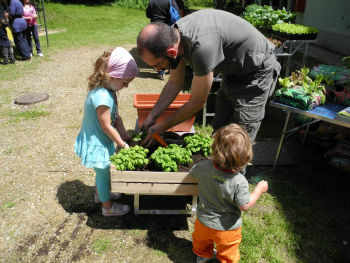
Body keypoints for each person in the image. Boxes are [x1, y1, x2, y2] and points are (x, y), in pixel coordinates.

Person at [137, 9, 281, 148]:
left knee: (238, 141)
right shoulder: (175, 37)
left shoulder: (201, 47)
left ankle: (233, 171)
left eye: (157, 65)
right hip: (233, 71)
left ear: (171, 52)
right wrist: (152, 116)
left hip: (257, 72)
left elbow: (197, 102)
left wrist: (163, 127)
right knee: (220, 130)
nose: (157, 70)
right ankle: (217, 169)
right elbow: (174, 83)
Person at [189, 124, 268, 263]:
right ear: (246, 156)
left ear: (215, 148)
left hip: (203, 221)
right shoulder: (239, 181)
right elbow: (244, 205)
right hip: (227, 228)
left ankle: (202, 257)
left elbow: (192, 172)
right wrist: (258, 190)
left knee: (201, 242)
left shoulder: (203, 167)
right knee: (228, 252)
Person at [74, 47, 138, 216]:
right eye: (125, 82)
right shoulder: (102, 97)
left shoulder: (110, 90)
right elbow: (106, 126)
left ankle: (99, 195)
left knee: (103, 172)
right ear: (111, 76)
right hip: (97, 143)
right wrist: (122, 144)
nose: (126, 86)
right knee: (104, 175)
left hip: (101, 140)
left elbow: (116, 117)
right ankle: (107, 208)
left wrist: (124, 134)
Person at [146, 0, 180, 80]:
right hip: (166, 27)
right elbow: (177, 11)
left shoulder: (152, 1)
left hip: (154, 28)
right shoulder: (170, 0)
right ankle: (170, 68)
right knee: (168, 49)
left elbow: (148, 14)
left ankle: (160, 72)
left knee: (157, 50)